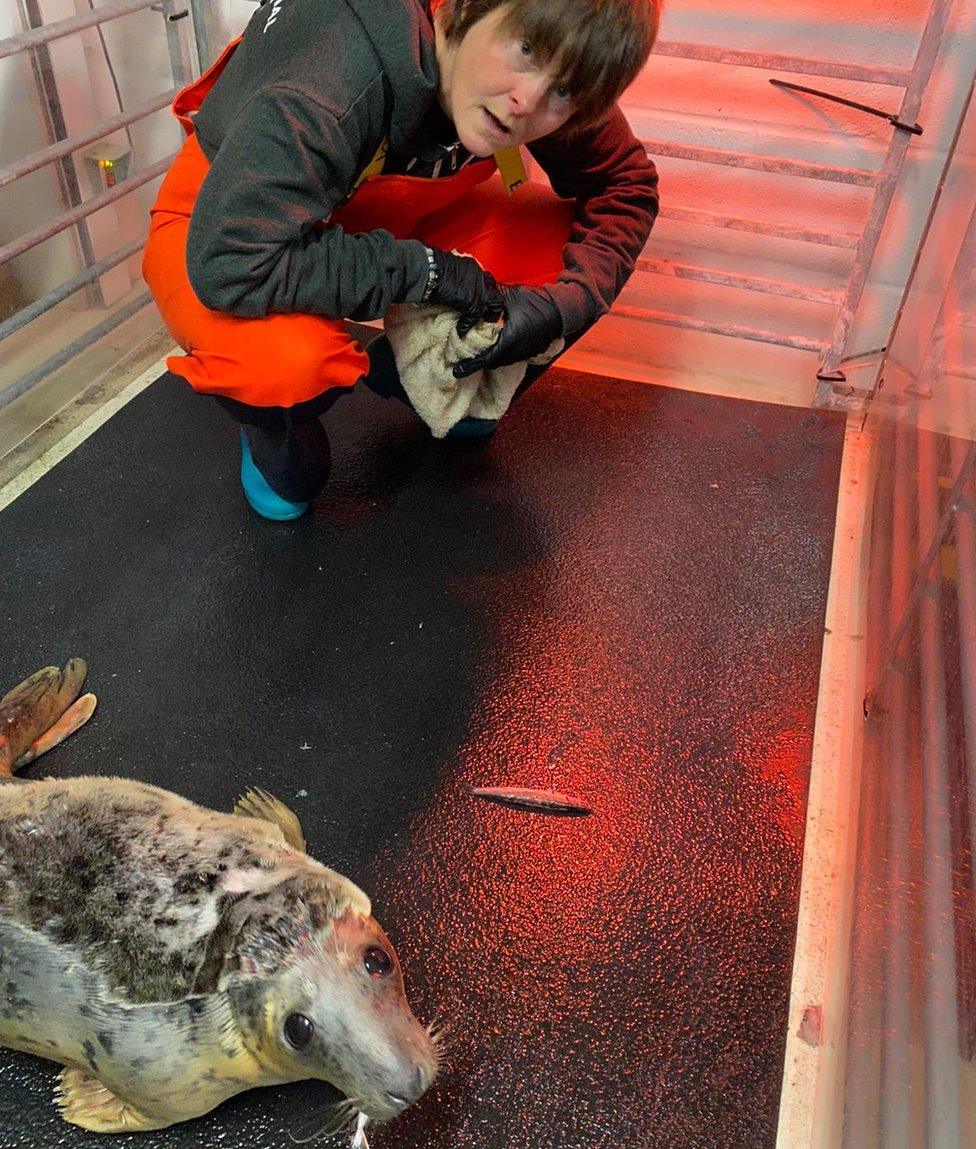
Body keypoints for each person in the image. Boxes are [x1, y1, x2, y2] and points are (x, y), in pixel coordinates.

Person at [143, 0, 661, 520]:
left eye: (565, 90)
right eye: (526, 49)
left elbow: (627, 188)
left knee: (565, 263)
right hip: (233, 226)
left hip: (388, 205)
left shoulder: (550, 62)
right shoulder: (328, 72)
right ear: (462, 10)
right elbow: (233, 262)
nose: (527, 101)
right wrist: (427, 273)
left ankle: (436, 385)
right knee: (282, 372)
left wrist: (565, 306)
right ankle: (276, 434)